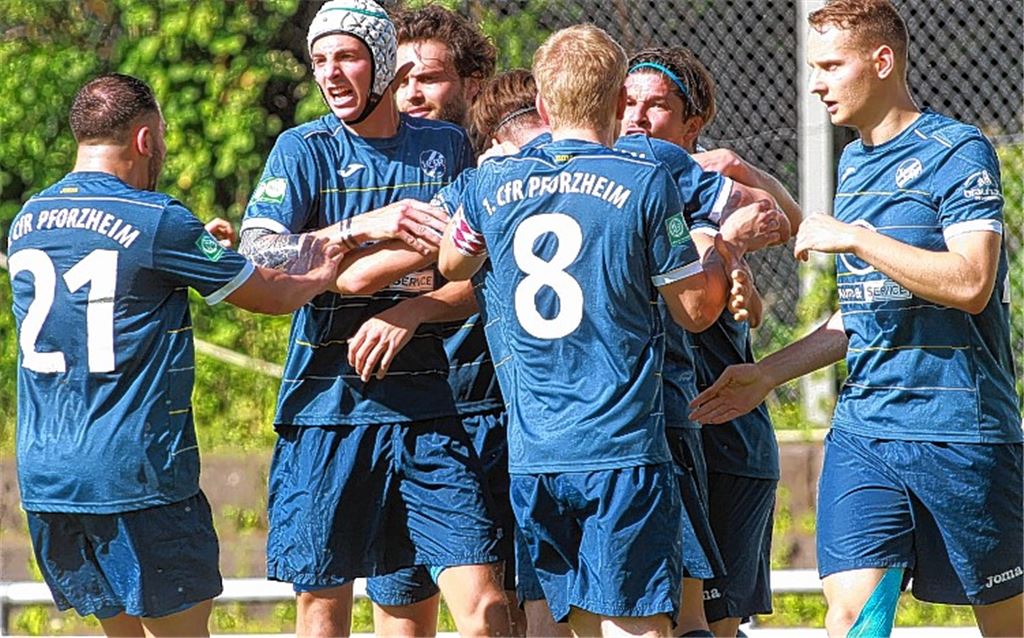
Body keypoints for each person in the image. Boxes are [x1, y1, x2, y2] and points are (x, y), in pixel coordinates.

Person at [689, 1, 1023, 636]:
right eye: (813, 67)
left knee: (1005, 622)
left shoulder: (958, 149)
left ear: (882, 61)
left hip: (962, 433)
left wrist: (859, 238)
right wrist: (766, 375)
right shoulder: (854, 164)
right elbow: (864, 313)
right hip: (866, 430)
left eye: (831, 66)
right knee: (850, 618)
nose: (815, 82)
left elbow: (973, 282)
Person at [438, 24, 754, 637]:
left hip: (535, 451)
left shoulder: (490, 184)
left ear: (546, 105)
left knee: (549, 622)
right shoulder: (644, 180)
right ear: (616, 104)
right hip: (622, 448)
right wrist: (720, 247)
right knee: (637, 624)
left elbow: (453, 264)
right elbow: (694, 310)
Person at [7, 73, 343, 638]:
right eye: (160, 135)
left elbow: (119, 274)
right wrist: (321, 271)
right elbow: (273, 294)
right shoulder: (158, 218)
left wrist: (198, 246)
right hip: (136, 476)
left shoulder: (27, 221)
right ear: (144, 139)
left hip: (48, 479)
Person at [238, 1, 510, 635]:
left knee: (487, 607)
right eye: (320, 60)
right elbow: (259, 250)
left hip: (427, 410)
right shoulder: (302, 149)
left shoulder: (446, 147)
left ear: (382, 63)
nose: (332, 73)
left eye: (348, 57)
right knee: (323, 608)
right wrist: (362, 227)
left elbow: (488, 273)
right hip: (327, 408)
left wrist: (415, 309)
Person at [339, 5, 515, 636]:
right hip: (398, 411)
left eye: (430, 77)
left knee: (500, 607)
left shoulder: (495, 168)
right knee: (399, 605)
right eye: (401, 76)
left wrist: (414, 309)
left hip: (489, 410)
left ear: (471, 84)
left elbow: (494, 278)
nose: (411, 91)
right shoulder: (369, 164)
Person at [623, 46, 801, 637]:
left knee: (713, 625)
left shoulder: (710, 204)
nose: (636, 118)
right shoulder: (621, 201)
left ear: (691, 125)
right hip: (653, 442)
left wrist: (742, 174)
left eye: (656, 107)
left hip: (725, 442)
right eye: (626, 102)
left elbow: (794, 227)